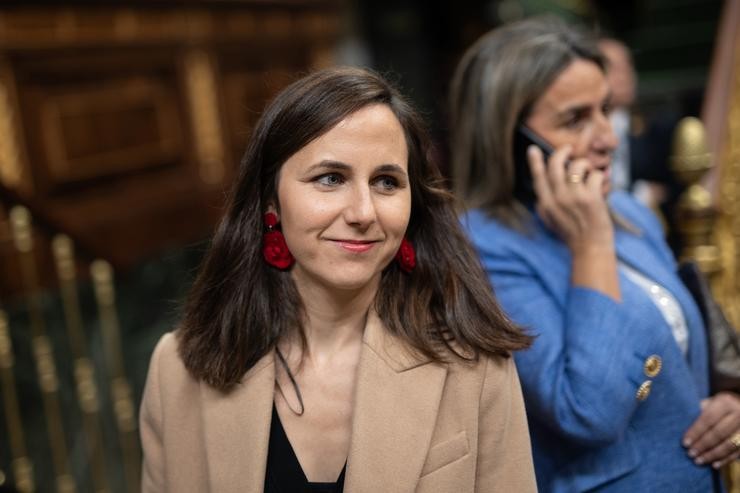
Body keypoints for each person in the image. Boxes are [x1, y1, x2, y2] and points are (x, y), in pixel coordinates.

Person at [139, 66, 536, 492]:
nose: (363, 212)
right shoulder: (176, 371)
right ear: (270, 202)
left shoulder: (474, 366)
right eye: (330, 179)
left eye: (386, 182)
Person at [450, 16, 740, 492]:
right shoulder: (480, 247)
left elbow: (682, 356)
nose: (607, 137)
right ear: (510, 140)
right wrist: (591, 245)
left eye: (606, 109)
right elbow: (587, 413)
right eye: (575, 119)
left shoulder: (628, 212)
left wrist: (727, 402)